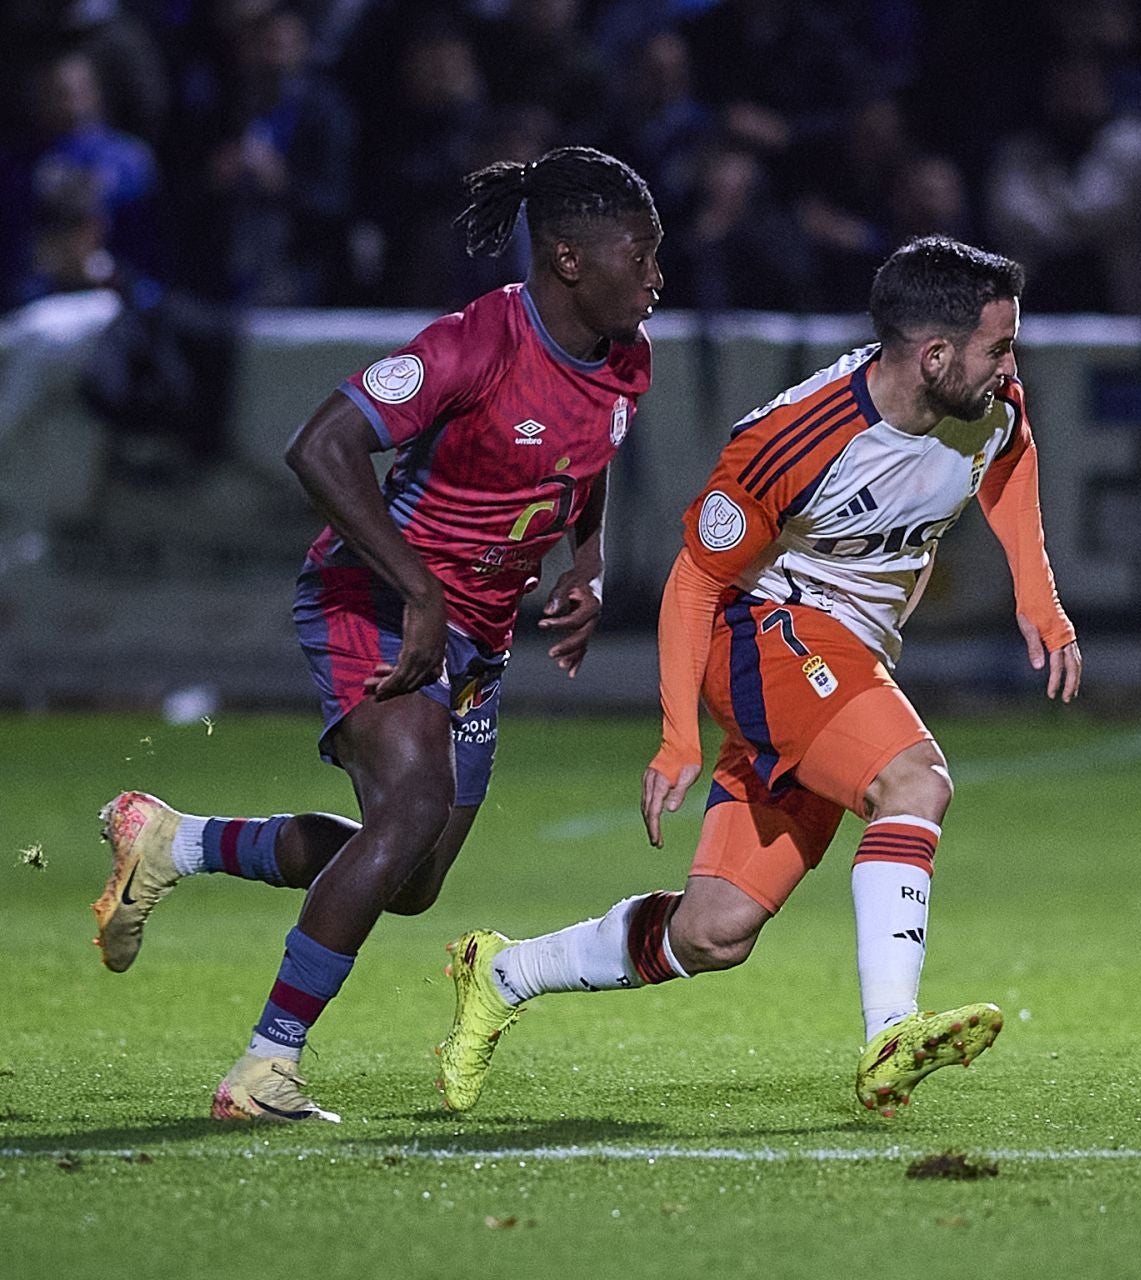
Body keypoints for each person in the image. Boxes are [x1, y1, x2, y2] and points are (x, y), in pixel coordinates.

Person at [436, 235, 1082, 1117]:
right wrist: (675, 738)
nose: (1014, 365)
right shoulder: (797, 439)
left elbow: (1008, 458)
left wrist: (1037, 600)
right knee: (914, 782)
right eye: (1000, 346)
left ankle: (503, 973)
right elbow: (695, 579)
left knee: (715, 933)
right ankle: (891, 1031)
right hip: (766, 632)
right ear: (934, 355)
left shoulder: (987, 397)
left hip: (843, 659)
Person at [90, 145, 665, 1124]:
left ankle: (176, 842)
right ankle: (264, 1068)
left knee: (412, 880)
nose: (657, 276)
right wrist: (418, 589)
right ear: (569, 257)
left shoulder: (625, 358)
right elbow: (319, 446)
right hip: (373, 597)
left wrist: (587, 561)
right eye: (641, 255)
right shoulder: (474, 343)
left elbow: (589, 455)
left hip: (478, 635)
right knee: (409, 807)